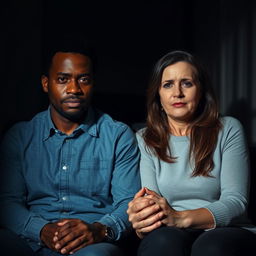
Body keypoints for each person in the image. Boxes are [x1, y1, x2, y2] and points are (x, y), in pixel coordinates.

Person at [0, 38, 141, 256]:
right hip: (30, 241)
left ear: (93, 83)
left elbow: (129, 203)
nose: (74, 89)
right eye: (63, 79)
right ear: (46, 83)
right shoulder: (20, 137)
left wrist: (99, 230)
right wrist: (41, 230)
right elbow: (7, 203)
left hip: (92, 243)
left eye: (83, 79)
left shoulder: (118, 135)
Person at [127, 50, 256, 256]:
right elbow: (151, 200)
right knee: (161, 243)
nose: (177, 93)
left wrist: (181, 217)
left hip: (226, 229)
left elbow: (236, 201)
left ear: (201, 90)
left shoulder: (228, 128)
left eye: (187, 83)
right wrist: (143, 216)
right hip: (170, 229)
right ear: (158, 94)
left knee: (212, 247)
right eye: (168, 84)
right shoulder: (145, 138)